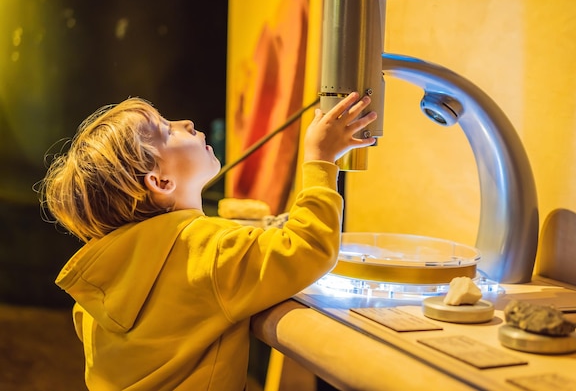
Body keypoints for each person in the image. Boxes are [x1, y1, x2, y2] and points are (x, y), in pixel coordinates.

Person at [39, 92, 376, 391]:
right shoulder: (212, 251)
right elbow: (309, 248)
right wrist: (320, 159)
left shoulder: (99, 280)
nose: (185, 122)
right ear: (161, 181)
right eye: (166, 130)